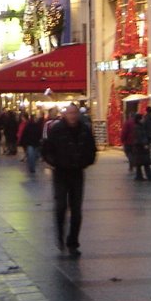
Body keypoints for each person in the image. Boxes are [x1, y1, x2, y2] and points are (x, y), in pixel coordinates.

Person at [41, 104, 97, 257]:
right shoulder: (57, 130)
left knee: (76, 210)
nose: (72, 116)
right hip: (60, 173)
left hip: (77, 172)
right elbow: (46, 149)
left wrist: (86, 161)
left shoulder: (84, 130)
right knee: (60, 207)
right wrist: (54, 162)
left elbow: (92, 149)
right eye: (70, 113)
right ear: (64, 115)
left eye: (75, 113)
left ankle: (73, 242)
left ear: (78, 114)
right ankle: (60, 236)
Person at [123, 112, 151, 181]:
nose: (143, 119)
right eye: (142, 118)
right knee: (145, 163)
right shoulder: (138, 127)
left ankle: (139, 176)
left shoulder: (138, 126)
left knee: (140, 163)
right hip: (141, 147)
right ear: (139, 119)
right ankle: (149, 177)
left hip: (137, 146)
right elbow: (140, 137)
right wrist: (145, 144)